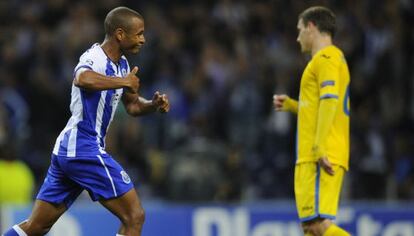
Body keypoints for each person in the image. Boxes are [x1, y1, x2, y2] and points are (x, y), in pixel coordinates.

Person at [2, 6, 170, 236]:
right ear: (120, 34)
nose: (143, 39)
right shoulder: (94, 56)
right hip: (83, 147)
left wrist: (153, 104)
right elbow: (82, 78)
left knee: (36, 226)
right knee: (134, 216)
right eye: (139, 33)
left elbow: (132, 106)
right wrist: (122, 82)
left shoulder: (122, 65)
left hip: (69, 150)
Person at [273, 6, 350, 236]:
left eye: (299, 31)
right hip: (315, 153)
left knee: (317, 226)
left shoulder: (327, 57)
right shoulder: (326, 60)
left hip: (319, 154)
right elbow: (320, 106)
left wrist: (318, 147)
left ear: (311, 27)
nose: (297, 38)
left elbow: (329, 100)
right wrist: (293, 105)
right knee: (310, 229)